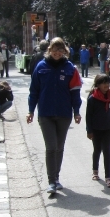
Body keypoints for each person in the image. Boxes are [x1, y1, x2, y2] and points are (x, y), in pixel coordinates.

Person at [27, 37, 83, 194]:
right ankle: (51, 181)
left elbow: (75, 93)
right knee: (51, 147)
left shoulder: (70, 68)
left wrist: (77, 111)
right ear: (49, 50)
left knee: (59, 148)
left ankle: (56, 178)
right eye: (54, 50)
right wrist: (31, 110)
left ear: (64, 51)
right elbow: (34, 91)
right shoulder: (41, 67)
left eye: (60, 50)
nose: (57, 53)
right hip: (45, 113)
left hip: (64, 114)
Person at [86, 74, 110, 188]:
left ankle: (108, 177)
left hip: (108, 127)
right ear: (98, 84)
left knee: (107, 151)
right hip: (96, 129)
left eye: (108, 83)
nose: (106, 85)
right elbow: (88, 116)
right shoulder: (92, 98)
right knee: (97, 150)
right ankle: (95, 171)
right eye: (104, 83)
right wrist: (89, 130)